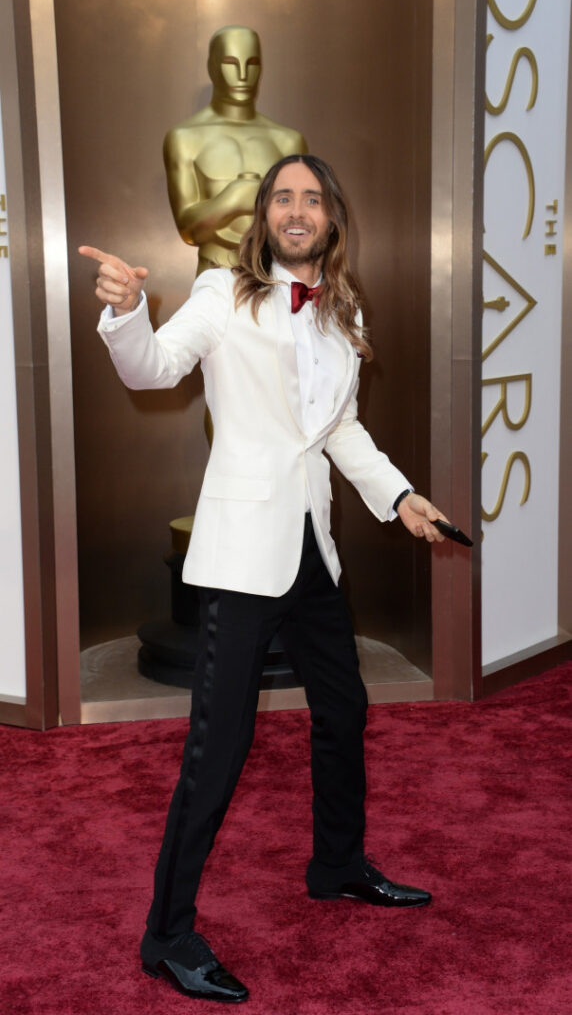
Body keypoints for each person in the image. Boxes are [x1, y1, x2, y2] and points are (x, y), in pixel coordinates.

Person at [79, 153, 447, 1005]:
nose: (297, 209)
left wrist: (399, 496)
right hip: (245, 554)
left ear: (331, 218)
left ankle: (337, 863)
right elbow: (154, 366)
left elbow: (341, 428)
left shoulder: (343, 310)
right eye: (283, 197)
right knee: (220, 747)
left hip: (313, 548)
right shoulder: (221, 294)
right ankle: (167, 935)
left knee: (344, 708)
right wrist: (127, 314)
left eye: (312, 198)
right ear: (264, 215)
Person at [163, 25, 307, 274]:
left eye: (252, 64)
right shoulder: (184, 138)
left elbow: (300, 223)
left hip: (277, 275)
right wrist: (234, 199)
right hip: (214, 273)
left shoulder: (288, 141)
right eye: (231, 63)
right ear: (212, 67)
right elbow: (188, 230)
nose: (242, 75)